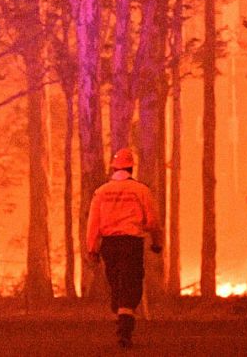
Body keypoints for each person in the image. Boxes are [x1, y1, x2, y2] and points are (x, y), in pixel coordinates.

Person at [86, 147, 162, 348]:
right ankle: (124, 326)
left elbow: (93, 223)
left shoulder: (101, 192)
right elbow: (153, 221)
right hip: (131, 243)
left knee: (116, 283)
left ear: (113, 168)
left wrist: (92, 248)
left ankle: (120, 312)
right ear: (131, 168)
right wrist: (157, 243)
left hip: (109, 244)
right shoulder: (141, 191)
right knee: (131, 283)